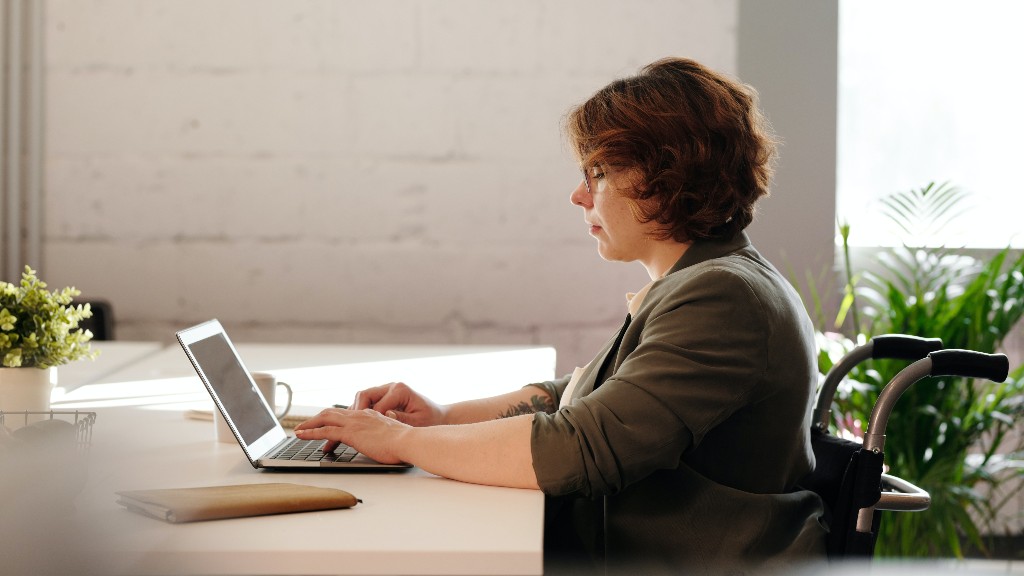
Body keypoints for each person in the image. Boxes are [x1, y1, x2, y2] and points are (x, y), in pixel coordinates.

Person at [295, 57, 827, 574]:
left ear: (666, 179)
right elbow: (574, 396)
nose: (578, 195)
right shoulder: (708, 279)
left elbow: (584, 446)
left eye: (597, 173)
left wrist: (401, 443)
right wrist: (440, 416)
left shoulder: (723, 297)